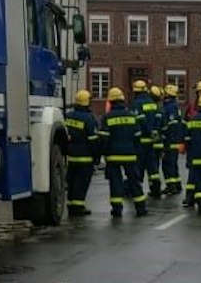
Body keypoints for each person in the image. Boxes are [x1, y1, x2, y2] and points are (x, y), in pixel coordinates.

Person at [101, 87, 148, 217]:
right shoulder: (132, 116)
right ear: (122, 100)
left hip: (113, 156)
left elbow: (104, 139)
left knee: (115, 182)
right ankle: (140, 208)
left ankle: (117, 209)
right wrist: (136, 152)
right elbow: (138, 136)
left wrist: (104, 154)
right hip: (130, 154)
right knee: (134, 181)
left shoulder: (107, 117)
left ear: (111, 102)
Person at [63, 88, 100, 218]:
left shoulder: (68, 115)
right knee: (81, 182)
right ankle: (78, 207)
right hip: (85, 156)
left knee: (71, 181)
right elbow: (93, 140)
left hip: (71, 156)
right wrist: (97, 157)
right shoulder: (89, 119)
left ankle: (70, 205)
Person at [137, 82, 164, 199]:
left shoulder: (137, 103)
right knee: (152, 167)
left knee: (138, 167)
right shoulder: (154, 104)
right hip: (152, 141)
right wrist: (155, 132)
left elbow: (140, 120)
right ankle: (156, 189)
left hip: (141, 141)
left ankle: (135, 189)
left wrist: (148, 131)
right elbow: (159, 119)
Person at [161, 84, 186, 199]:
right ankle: (177, 184)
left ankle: (171, 186)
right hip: (175, 140)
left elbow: (170, 126)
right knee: (173, 164)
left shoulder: (169, 107)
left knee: (168, 164)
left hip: (170, 141)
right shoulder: (175, 106)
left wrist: (165, 138)